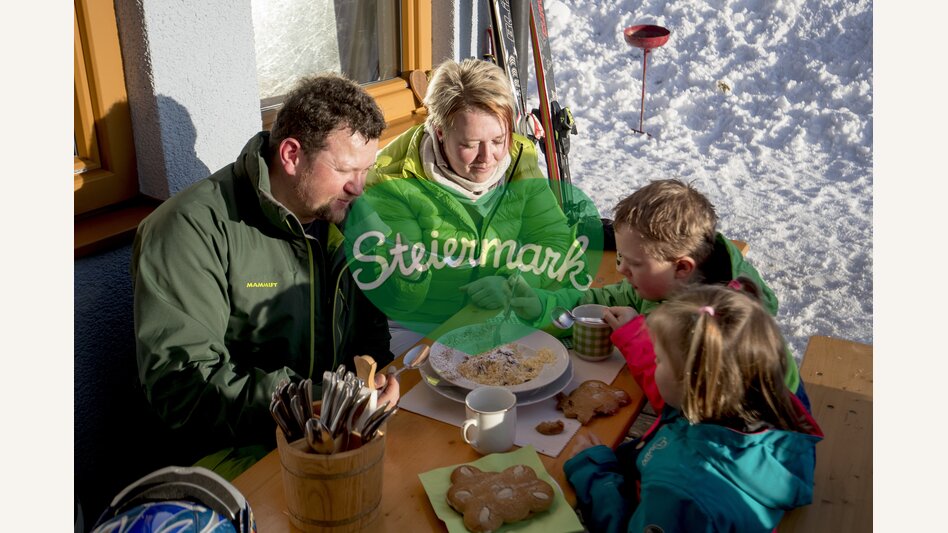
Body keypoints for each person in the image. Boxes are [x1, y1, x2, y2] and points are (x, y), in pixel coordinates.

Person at [132, 74, 399, 478]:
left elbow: (369, 328)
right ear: (291, 155)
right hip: (236, 455)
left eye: (366, 170)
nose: (358, 187)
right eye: (346, 168)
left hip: (339, 433)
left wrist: (378, 377)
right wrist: (317, 401)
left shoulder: (343, 214)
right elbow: (184, 387)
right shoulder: (187, 231)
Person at [507, 178, 809, 410]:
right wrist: (540, 306)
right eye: (620, 258)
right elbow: (597, 302)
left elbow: (677, 400)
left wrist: (634, 338)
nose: (623, 270)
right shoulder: (662, 284)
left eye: (634, 263)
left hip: (762, 440)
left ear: (681, 268)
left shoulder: (721, 327)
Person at [348, 58, 578, 352]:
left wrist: (511, 283)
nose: (489, 157)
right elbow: (401, 299)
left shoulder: (519, 157)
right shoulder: (392, 182)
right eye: (470, 145)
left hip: (494, 317)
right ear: (440, 131)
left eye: (498, 139)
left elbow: (554, 240)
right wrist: (409, 271)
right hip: (421, 328)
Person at [564, 284, 823, 532]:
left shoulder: (678, 490)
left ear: (692, 384)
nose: (654, 363)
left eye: (659, 359)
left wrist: (595, 474)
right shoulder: (756, 409)